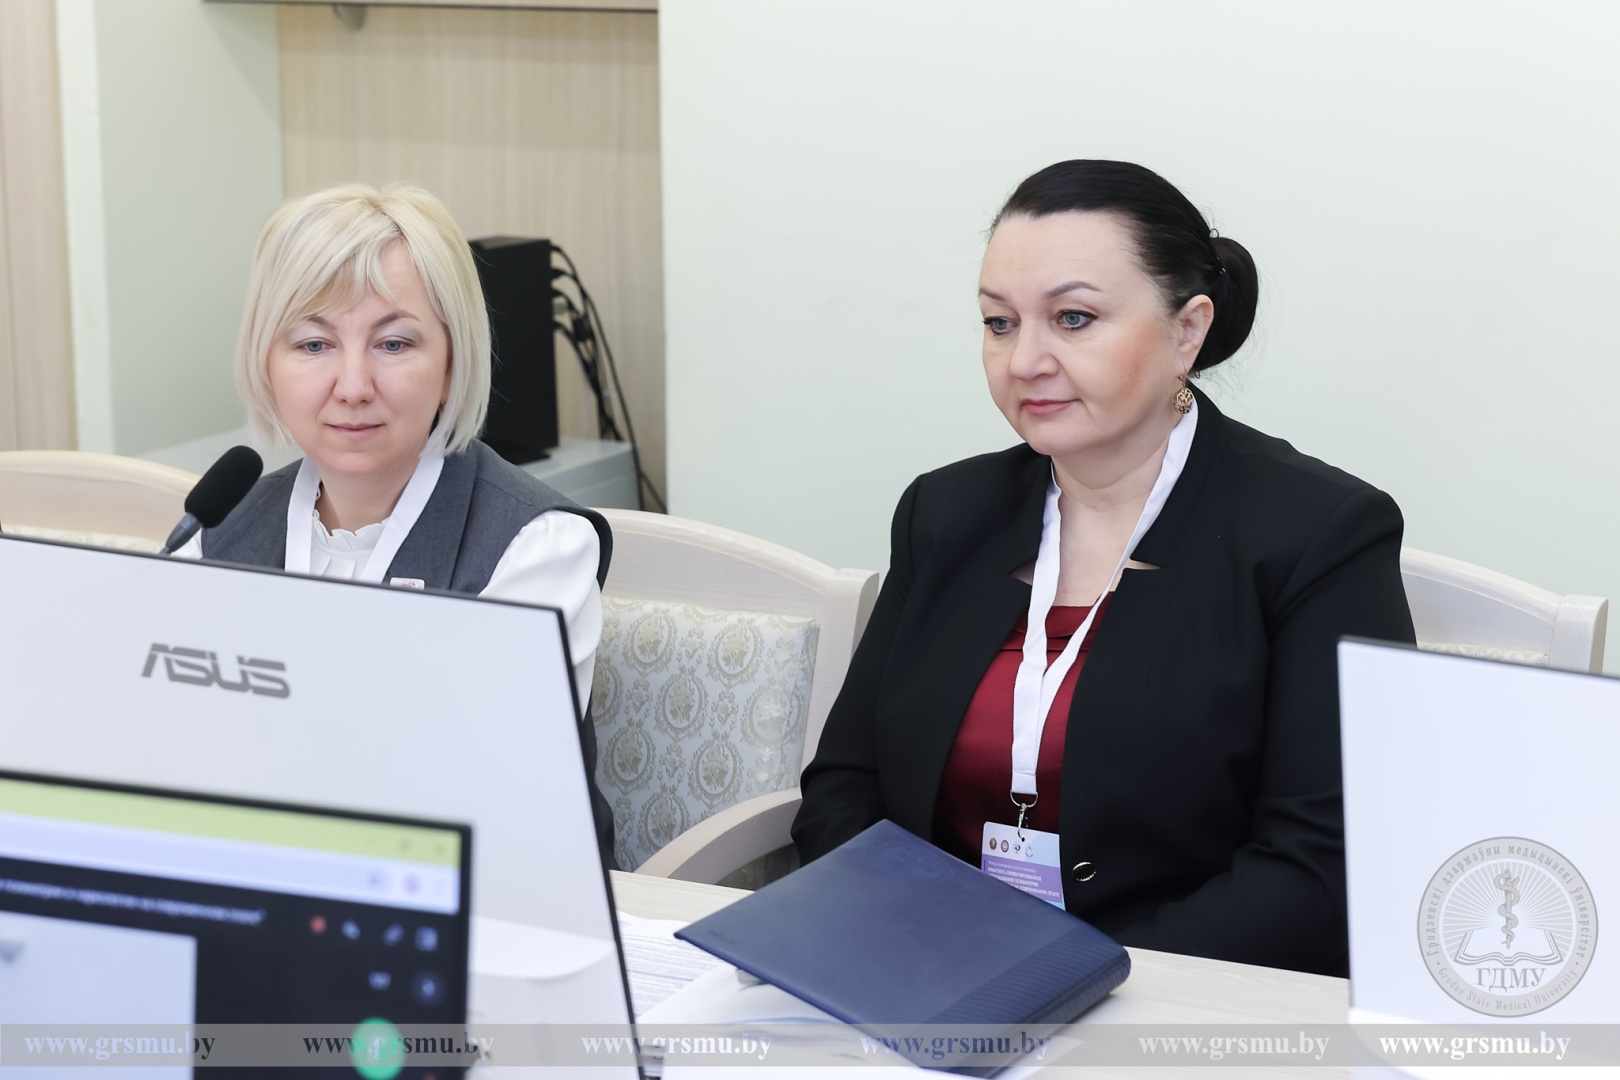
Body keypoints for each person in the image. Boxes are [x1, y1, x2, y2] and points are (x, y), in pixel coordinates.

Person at [791, 160, 1414, 976]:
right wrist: (913, 950)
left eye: (1074, 319)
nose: (1024, 361)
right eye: (999, 322)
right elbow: (846, 787)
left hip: (1174, 997)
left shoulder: (1317, 534)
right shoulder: (944, 513)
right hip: (928, 972)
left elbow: (1322, 862)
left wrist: (1068, 981)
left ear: (1188, 331)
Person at [177, 182, 617, 865]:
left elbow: (479, 793)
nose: (353, 386)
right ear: (266, 360)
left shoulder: (535, 549)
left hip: (489, 899)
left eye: (393, 343)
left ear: (451, 361)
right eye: (314, 344)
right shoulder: (217, 531)